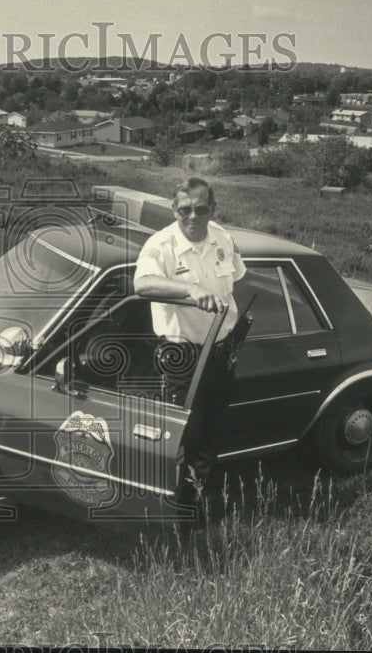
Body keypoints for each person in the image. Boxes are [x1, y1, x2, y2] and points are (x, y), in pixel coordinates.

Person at [133, 176, 246, 512]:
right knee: (180, 435)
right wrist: (190, 290)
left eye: (200, 209)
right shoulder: (160, 244)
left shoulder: (223, 238)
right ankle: (171, 506)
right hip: (181, 354)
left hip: (222, 349)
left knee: (211, 429)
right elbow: (143, 284)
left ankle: (198, 500)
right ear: (174, 209)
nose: (192, 217)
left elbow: (236, 278)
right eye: (184, 210)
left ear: (212, 209)